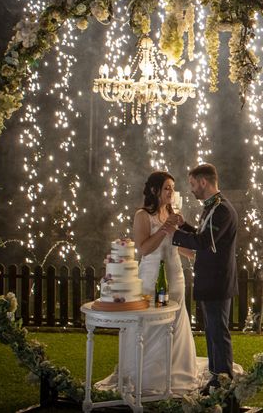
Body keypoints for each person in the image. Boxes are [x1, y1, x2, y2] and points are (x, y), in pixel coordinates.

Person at [96, 171, 206, 396]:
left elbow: (177, 244)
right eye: (167, 188)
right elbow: (144, 248)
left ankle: (176, 370)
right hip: (151, 274)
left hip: (176, 275)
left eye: (172, 188)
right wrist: (165, 227)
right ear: (155, 190)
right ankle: (147, 375)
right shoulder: (142, 215)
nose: (171, 192)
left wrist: (197, 255)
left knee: (175, 320)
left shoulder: (173, 212)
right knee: (151, 322)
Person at [161, 163, 239, 395]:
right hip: (210, 279)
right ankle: (216, 377)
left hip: (217, 280)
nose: (192, 189)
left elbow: (204, 242)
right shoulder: (212, 207)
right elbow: (203, 234)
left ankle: (223, 380)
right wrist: (184, 225)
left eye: (193, 184)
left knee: (218, 331)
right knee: (212, 330)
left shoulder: (222, 209)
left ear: (203, 182)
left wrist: (174, 234)